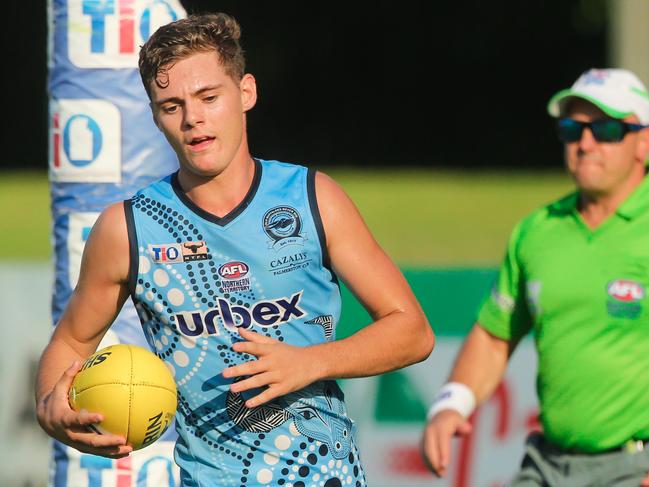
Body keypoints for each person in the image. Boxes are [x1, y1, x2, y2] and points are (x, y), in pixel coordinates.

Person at [35, 12, 434, 487]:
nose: (193, 119)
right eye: (171, 106)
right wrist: (50, 409)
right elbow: (70, 344)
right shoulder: (127, 228)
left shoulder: (312, 198)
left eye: (209, 97)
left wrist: (310, 362)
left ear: (246, 92)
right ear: (155, 115)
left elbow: (412, 332)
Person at [421, 67, 649, 486]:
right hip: (548, 464)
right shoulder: (537, 230)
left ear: (643, 141)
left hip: (634, 467)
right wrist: (451, 404)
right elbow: (495, 336)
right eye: (572, 129)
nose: (585, 143)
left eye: (606, 130)